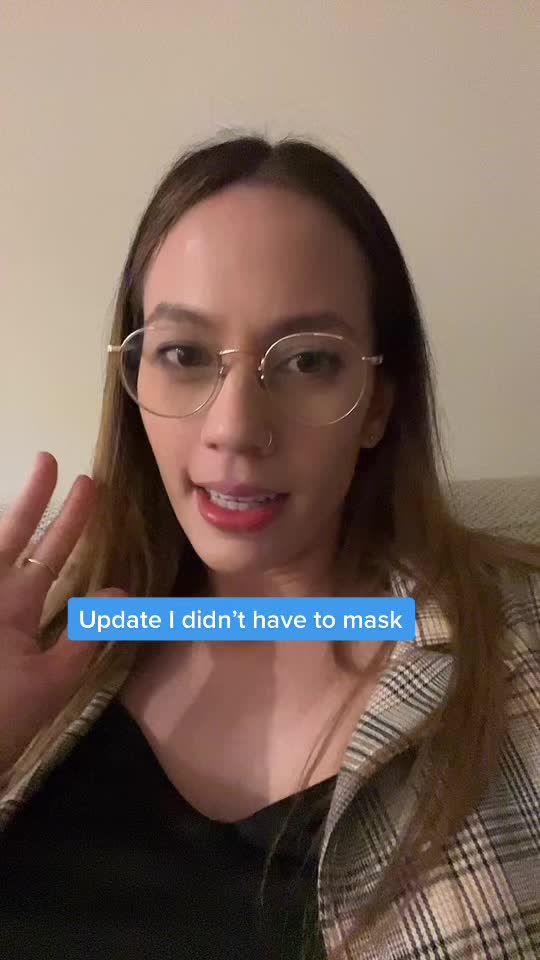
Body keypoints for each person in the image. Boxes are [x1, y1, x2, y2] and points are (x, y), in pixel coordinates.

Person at [0, 134, 538, 960]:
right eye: (184, 354)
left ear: (378, 404)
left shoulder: (515, 650)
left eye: (308, 361)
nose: (236, 429)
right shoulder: (42, 626)